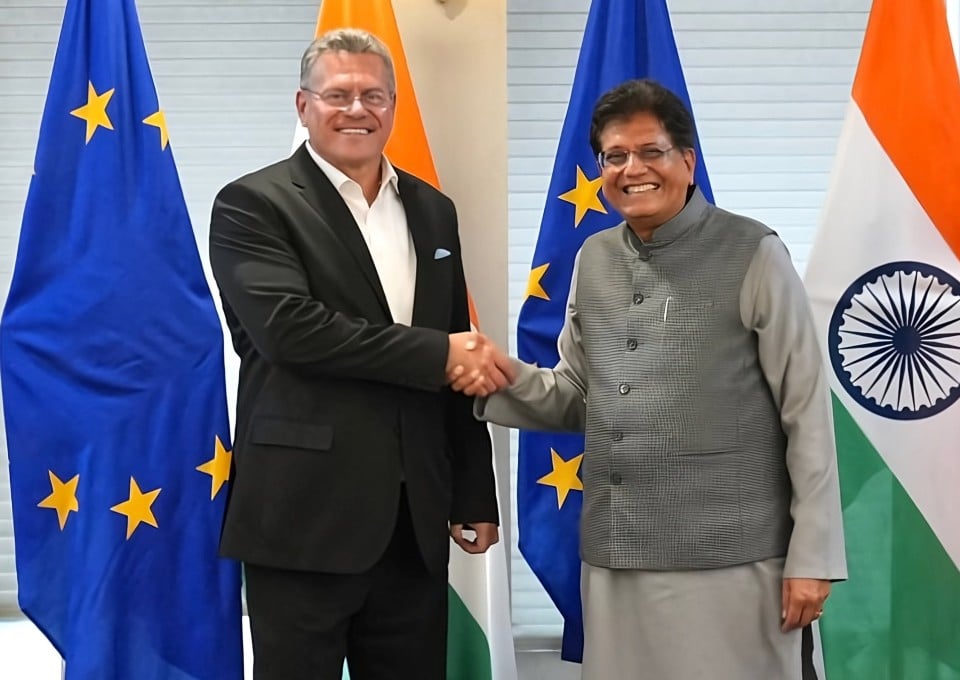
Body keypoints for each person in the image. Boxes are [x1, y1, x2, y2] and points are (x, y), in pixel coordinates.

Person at [469, 79, 847, 679]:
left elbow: (806, 412)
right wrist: (495, 376)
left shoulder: (754, 251)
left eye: (651, 152)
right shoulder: (593, 258)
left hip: (736, 560)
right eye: (614, 157)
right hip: (616, 561)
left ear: (687, 162)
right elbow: (577, 396)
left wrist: (813, 556)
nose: (632, 169)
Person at [209, 28, 510, 680]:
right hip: (302, 520)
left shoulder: (433, 211)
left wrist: (474, 492)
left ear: (393, 107)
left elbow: (456, 344)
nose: (357, 109)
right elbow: (292, 331)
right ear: (302, 105)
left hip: (414, 522)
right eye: (338, 94)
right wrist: (437, 354)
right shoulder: (252, 204)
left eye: (374, 95)